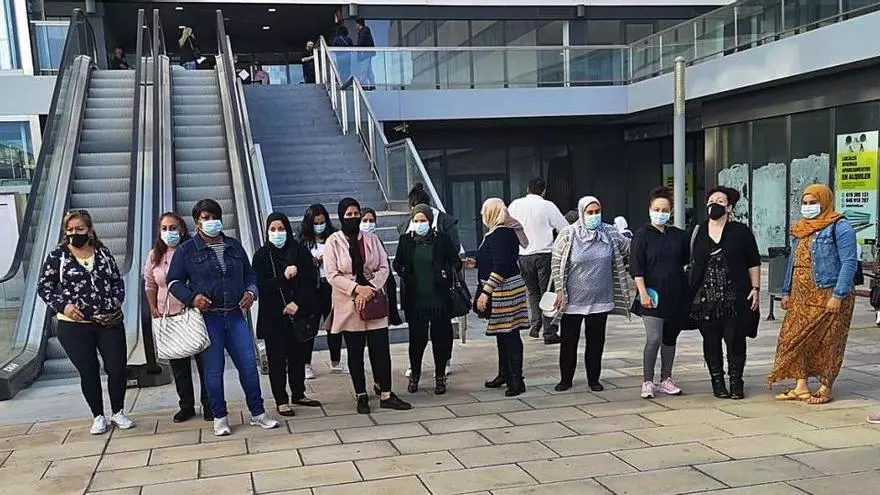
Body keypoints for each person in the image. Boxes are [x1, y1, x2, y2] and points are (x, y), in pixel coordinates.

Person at [167, 199, 279, 436]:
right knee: (213, 370)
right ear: (197, 222)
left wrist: (251, 292)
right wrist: (192, 298)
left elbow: (250, 275)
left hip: (236, 315)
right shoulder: (187, 250)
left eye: (214, 217)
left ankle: (258, 412)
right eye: (205, 218)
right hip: (209, 317)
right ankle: (219, 416)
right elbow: (173, 281)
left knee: (248, 366)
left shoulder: (233, 246)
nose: (211, 222)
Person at [37, 210, 134, 434]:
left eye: (79, 229)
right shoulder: (58, 256)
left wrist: (117, 299)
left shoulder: (103, 253)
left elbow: (116, 280)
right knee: (88, 370)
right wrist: (64, 306)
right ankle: (98, 416)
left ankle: (118, 411)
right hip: (74, 326)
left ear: (89, 231)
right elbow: (44, 287)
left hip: (108, 321)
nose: (74, 233)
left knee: (117, 367)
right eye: (70, 230)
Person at [769, 184, 857, 405]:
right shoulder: (801, 228)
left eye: (813, 203)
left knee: (830, 340)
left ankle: (826, 388)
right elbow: (793, 262)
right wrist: (786, 291)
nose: (808, 207)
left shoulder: (840, 226)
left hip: (828, 291)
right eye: (805, 203)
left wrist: (838, 295)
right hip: (801, 294)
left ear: (825, 202)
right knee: (794, 338)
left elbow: (849, 263)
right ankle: (801, 386)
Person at [324, 197, 412, 414]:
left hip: (373, 300)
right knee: (355, 352)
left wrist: (370, 288)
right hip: (348, 302)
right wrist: (356, 289)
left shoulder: (372, 239)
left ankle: (386, 393)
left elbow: (384, 267)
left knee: (380, 350)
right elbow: (332, 274)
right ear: (341, 216)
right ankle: (361, 394)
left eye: (356, 214)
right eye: (349, 214)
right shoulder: (333, 242)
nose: (353, 218)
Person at [550, 196, 631, 393]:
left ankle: (594, 379)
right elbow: (556, 261)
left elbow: (629, 248)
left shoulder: (609, 232)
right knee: (569, 341)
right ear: (581, 213)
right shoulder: (568, 234)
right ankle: (566, 379)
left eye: (597, 212)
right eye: (590, 212)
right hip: (572, 300)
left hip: (600, 299)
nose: (594, 216)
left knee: (596, 341)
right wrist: (559, 290)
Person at [689, 186, 761, 400]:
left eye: (720, 201)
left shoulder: (740, 231)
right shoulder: (698, 231)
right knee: (711, 341)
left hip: (734, 296)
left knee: (735, 339)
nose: (715, 204)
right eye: (711, 200)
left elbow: (753, 261)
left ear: (729, 207)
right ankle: (717, 381)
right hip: (705, 298)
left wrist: (755, 288)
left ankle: (736, 381)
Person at [253, 212, 323, 417]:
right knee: (276, 360)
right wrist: (283, 278)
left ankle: (298, 393)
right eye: (273, 229)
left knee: (298, 356)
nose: (277, 233)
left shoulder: (299, 251)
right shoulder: (262, 256)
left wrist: (297, 303)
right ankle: (281, 400)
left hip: (298, 313)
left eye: (281, 229)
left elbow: (310, 280)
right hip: (273, 316)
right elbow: (261, 285)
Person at [144, 212, 211, 423]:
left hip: (192, 314)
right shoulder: (154, 256)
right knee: (179, 366)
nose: (168, 232)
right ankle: (186, 405)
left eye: (173, 228)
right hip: (169, 317)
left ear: (182, 230)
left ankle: (209, 403)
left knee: (205, 364)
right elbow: (150, 284)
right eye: (164, 228)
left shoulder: (191, 251)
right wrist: (153, 307)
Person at [466, 198, 530, 397]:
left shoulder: (500, 234)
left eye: (484, 211)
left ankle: (516, 380)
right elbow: (497, 259)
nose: (482, 215)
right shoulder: (501, 231)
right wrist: (477, 263)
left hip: (505, 290)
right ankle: (505, 374)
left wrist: (485, 292)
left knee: (510, 334)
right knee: (503, 333)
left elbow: (501, 265)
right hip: (507, 288)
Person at [394, 205, 462, 395]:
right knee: (417, 341)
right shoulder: (406, 240)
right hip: (416, 300)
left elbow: (456, 262)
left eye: (423, 220)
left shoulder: (441, 239)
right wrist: (405, 273)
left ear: (430, 221)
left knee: (441, 340)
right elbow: (397, 263)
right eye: (416, 220)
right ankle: (415, 375)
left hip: (439, 299)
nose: (419, 224)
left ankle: (440, 377)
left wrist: (445, 272)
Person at [630, 187, 687, 399]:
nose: (660, 213)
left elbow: (688, 260)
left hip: (675, 294)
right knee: (654, 338)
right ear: (649, 209)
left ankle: (666, 378)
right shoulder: (641, 236)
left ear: (671, 211)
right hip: (652, 295)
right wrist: (643, 293)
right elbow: (636, 268)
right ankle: (647, 380)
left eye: (664, 210)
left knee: (670, 338)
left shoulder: (678, 235)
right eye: (656, 209)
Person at [508, 177, 569, 344]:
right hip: (544, 255)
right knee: (548, 293)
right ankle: (549, 332)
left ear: (527, 189)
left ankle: (535, 325)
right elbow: (565, 229)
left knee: (533, 292)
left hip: (523, 255)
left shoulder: (515, 205)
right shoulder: (547, 206)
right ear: (543, 191)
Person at [299, 204, 346, 376]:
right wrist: (314, 262)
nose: (319, 226)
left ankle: (335, 360)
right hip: (312, 287)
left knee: (333, 324)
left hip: (331, 285)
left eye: (322, 222)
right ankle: (306, 363)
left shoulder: (334, 238)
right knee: (310, 326)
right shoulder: (303, 242)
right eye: (316, 223)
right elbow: (300, 264)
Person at [355, 18, 375, 87]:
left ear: (359, 24)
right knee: (369, 70)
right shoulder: (365, 30)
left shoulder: (363, 31)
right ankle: (372, 85)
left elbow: (361, 43)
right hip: (367, 53)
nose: (356, 25)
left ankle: (361, 86)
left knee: (364, 70)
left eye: (356, 24)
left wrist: (355, 47)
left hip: (365, 54)